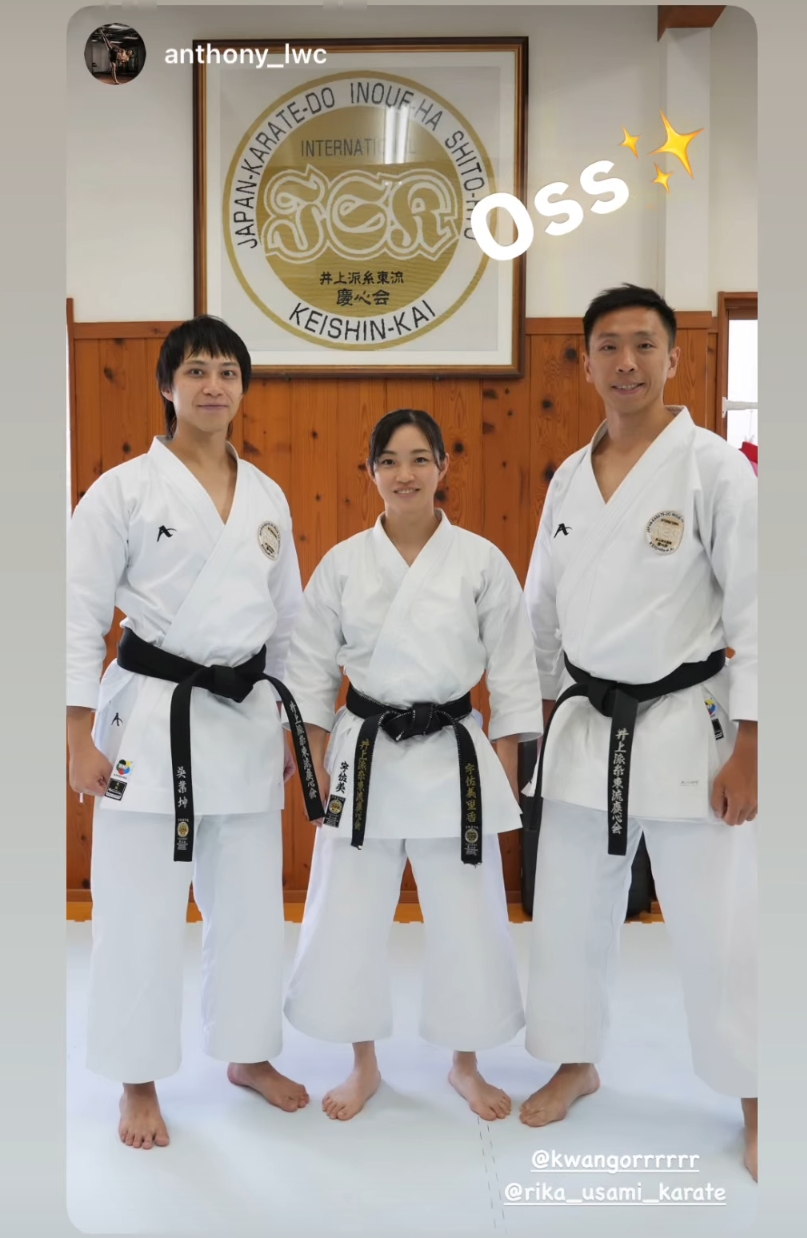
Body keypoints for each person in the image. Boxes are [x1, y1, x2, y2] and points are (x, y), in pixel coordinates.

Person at [520, 285, 758, 1181]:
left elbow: (761, 610)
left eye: (644, 345)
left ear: (674, 358)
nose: (627, 363)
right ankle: (574, 1059)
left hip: (689, 722)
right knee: (570, 911)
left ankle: (759, 1094)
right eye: (609, 347)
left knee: (719, 922)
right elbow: (541, 611)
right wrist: (536, 717)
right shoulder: (568, 478)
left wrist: (754, 745)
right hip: (588, 725)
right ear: (585, 362)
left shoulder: (713, 469)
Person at [66, 315, 321, 1149]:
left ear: (243, 387)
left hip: (243, 720)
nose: (214, 386)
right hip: (150, 717)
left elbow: (288, 621)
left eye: (228, 372)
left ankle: (247, 1054)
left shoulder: (268, 497)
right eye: (197, 371)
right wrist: (76, 733)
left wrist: (289, 721)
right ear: (167, 387)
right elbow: (76, 614)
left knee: (248, 904)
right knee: (138, 907)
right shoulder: (123, 491)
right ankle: (137, 1079)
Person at [281, 410, 543, 1121]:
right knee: (348, 911)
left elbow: (513, 671)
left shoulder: (480, 561)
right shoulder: (342, 565)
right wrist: (312, 764)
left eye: (420, 459)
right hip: (363, 752)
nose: (405, 474)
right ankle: (362, 1062)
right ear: (370, 472)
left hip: (454, 752)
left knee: (469, 914)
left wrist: (507, 767)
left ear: (442, 468)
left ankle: (465, 1063)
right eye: (390, 461)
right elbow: (309, 673)